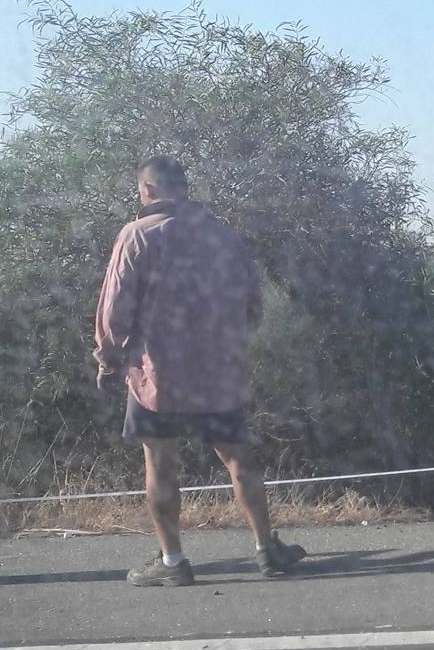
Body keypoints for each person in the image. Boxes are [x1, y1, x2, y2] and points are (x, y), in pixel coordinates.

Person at [94, 154, 305, 586]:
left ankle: (172, 563)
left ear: (147, 191)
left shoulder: (136, 236)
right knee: (238, 459)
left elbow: (115, 307)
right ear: (185, 188)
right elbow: (252, 305)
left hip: (159, 375)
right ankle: (268, 550)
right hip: (217, 372)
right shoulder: (222, 236)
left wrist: (108, 358)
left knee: (160, 463)